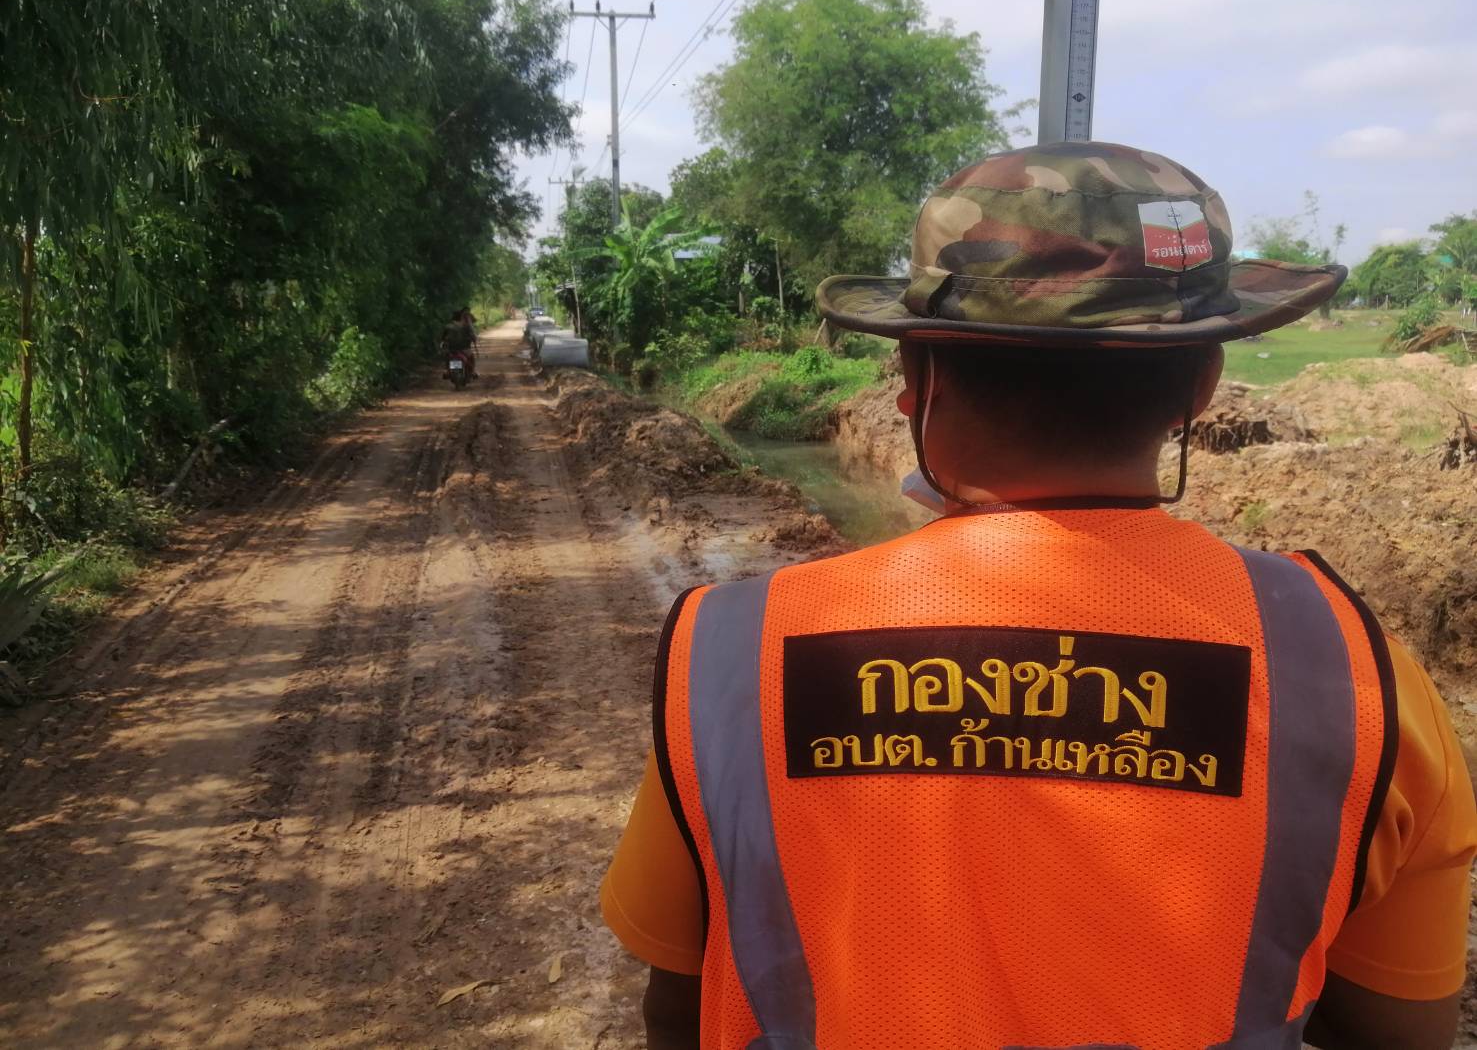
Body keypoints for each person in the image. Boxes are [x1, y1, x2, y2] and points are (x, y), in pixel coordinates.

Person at [600, 142, 1477, 1049]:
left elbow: (677, 1006)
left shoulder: (728, 661)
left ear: (915, 381)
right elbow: (1401, 1031)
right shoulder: (1356, 679)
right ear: (1201, 387)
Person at [440, 306, 477, 379]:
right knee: (471, 356)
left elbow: (443, 338)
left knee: (447, 357)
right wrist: (473, 339)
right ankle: (473, 371)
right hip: (464, 348)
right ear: (461, 317)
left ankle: (447, 371)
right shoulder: (465, 326)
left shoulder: (448, 326)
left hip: (451, 349)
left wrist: (443, 343)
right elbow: (471, 335)